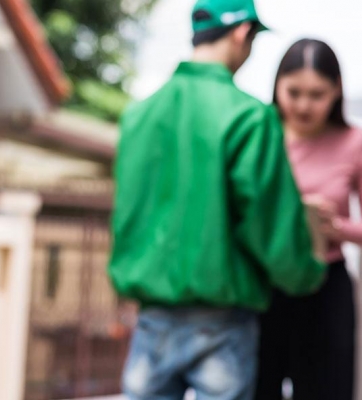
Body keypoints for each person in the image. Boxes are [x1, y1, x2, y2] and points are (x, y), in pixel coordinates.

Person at [109, 1, 328, 399]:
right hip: (221, 324)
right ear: (242, 33)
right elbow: (269, 225)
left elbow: (127, 216)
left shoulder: (139, 116)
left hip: (152, 319)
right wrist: (308, 273)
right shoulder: (248, 117)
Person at [255, 39, 362, 400]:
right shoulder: (260, 133)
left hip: (326, 288)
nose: (303, 105)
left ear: (337, 91)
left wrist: (336, 228)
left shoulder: (356, 142)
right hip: (265, 286)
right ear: (277, 85)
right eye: (294, 92)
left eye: (317, 94)